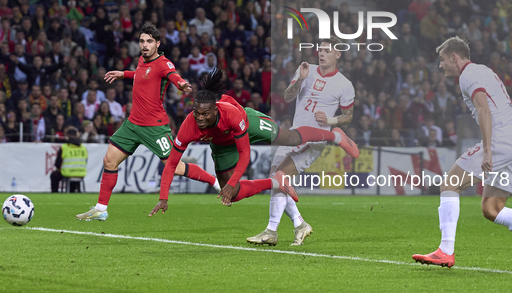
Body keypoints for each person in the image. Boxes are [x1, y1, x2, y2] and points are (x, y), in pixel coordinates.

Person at [413, 36, 512, 270]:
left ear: (455, 57)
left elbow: (484, 110)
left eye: (442, 60)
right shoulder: (484, 71)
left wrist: (487, 151)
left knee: (449, 184)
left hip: (500, 140)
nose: (441, 65)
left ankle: (445, 251)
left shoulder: (468, 76)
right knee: (491, 208)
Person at [148, 67, 358, 215]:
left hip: (249, 124)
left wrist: (231, 182)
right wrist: (163, 197)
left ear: (215, 109)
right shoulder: (188, 126)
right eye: (196, 114)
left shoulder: (231, 115)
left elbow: (245, 154)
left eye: (205, 114)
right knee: (233, 194)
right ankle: (277, 182)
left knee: (292, 138)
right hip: (221, 144)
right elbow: (171, 164)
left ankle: (335, 135)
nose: (200, 118)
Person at [76, 23, 221, 221]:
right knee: (109, 160)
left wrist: (181, 84)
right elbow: (143, 75)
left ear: (157, 44)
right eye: (142, 41)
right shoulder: (141, 60)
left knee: (176, 167)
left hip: (154, 127)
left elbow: (172, 75)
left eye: (149, 41)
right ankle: (101, 209)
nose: (145, 45)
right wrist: (123, 73)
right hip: (133, 124)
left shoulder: (163, 63)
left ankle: (215, 181)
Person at [247, 38, 355, 246]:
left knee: (279, 177)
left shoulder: (344, 84)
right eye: (320, 50)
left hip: (314, 140)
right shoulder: (306, 69)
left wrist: (330, 120)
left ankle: (272, 231)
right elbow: (288, 97)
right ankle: (299, 225)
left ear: (338, 55)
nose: (321, 54)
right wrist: (299, 80)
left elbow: (348, 116)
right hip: (293, 135)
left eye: (327, 51)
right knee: (275, 179)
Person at [51, 127, 88, 193]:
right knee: (74, 175)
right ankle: (73, 191)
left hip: (67, 173)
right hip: (81, 172)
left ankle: (55, 193)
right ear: (76, 136)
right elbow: (85, 161)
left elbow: (57, 164)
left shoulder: (64, 147)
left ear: (67, 136)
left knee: (54, 175)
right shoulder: (83, 148)